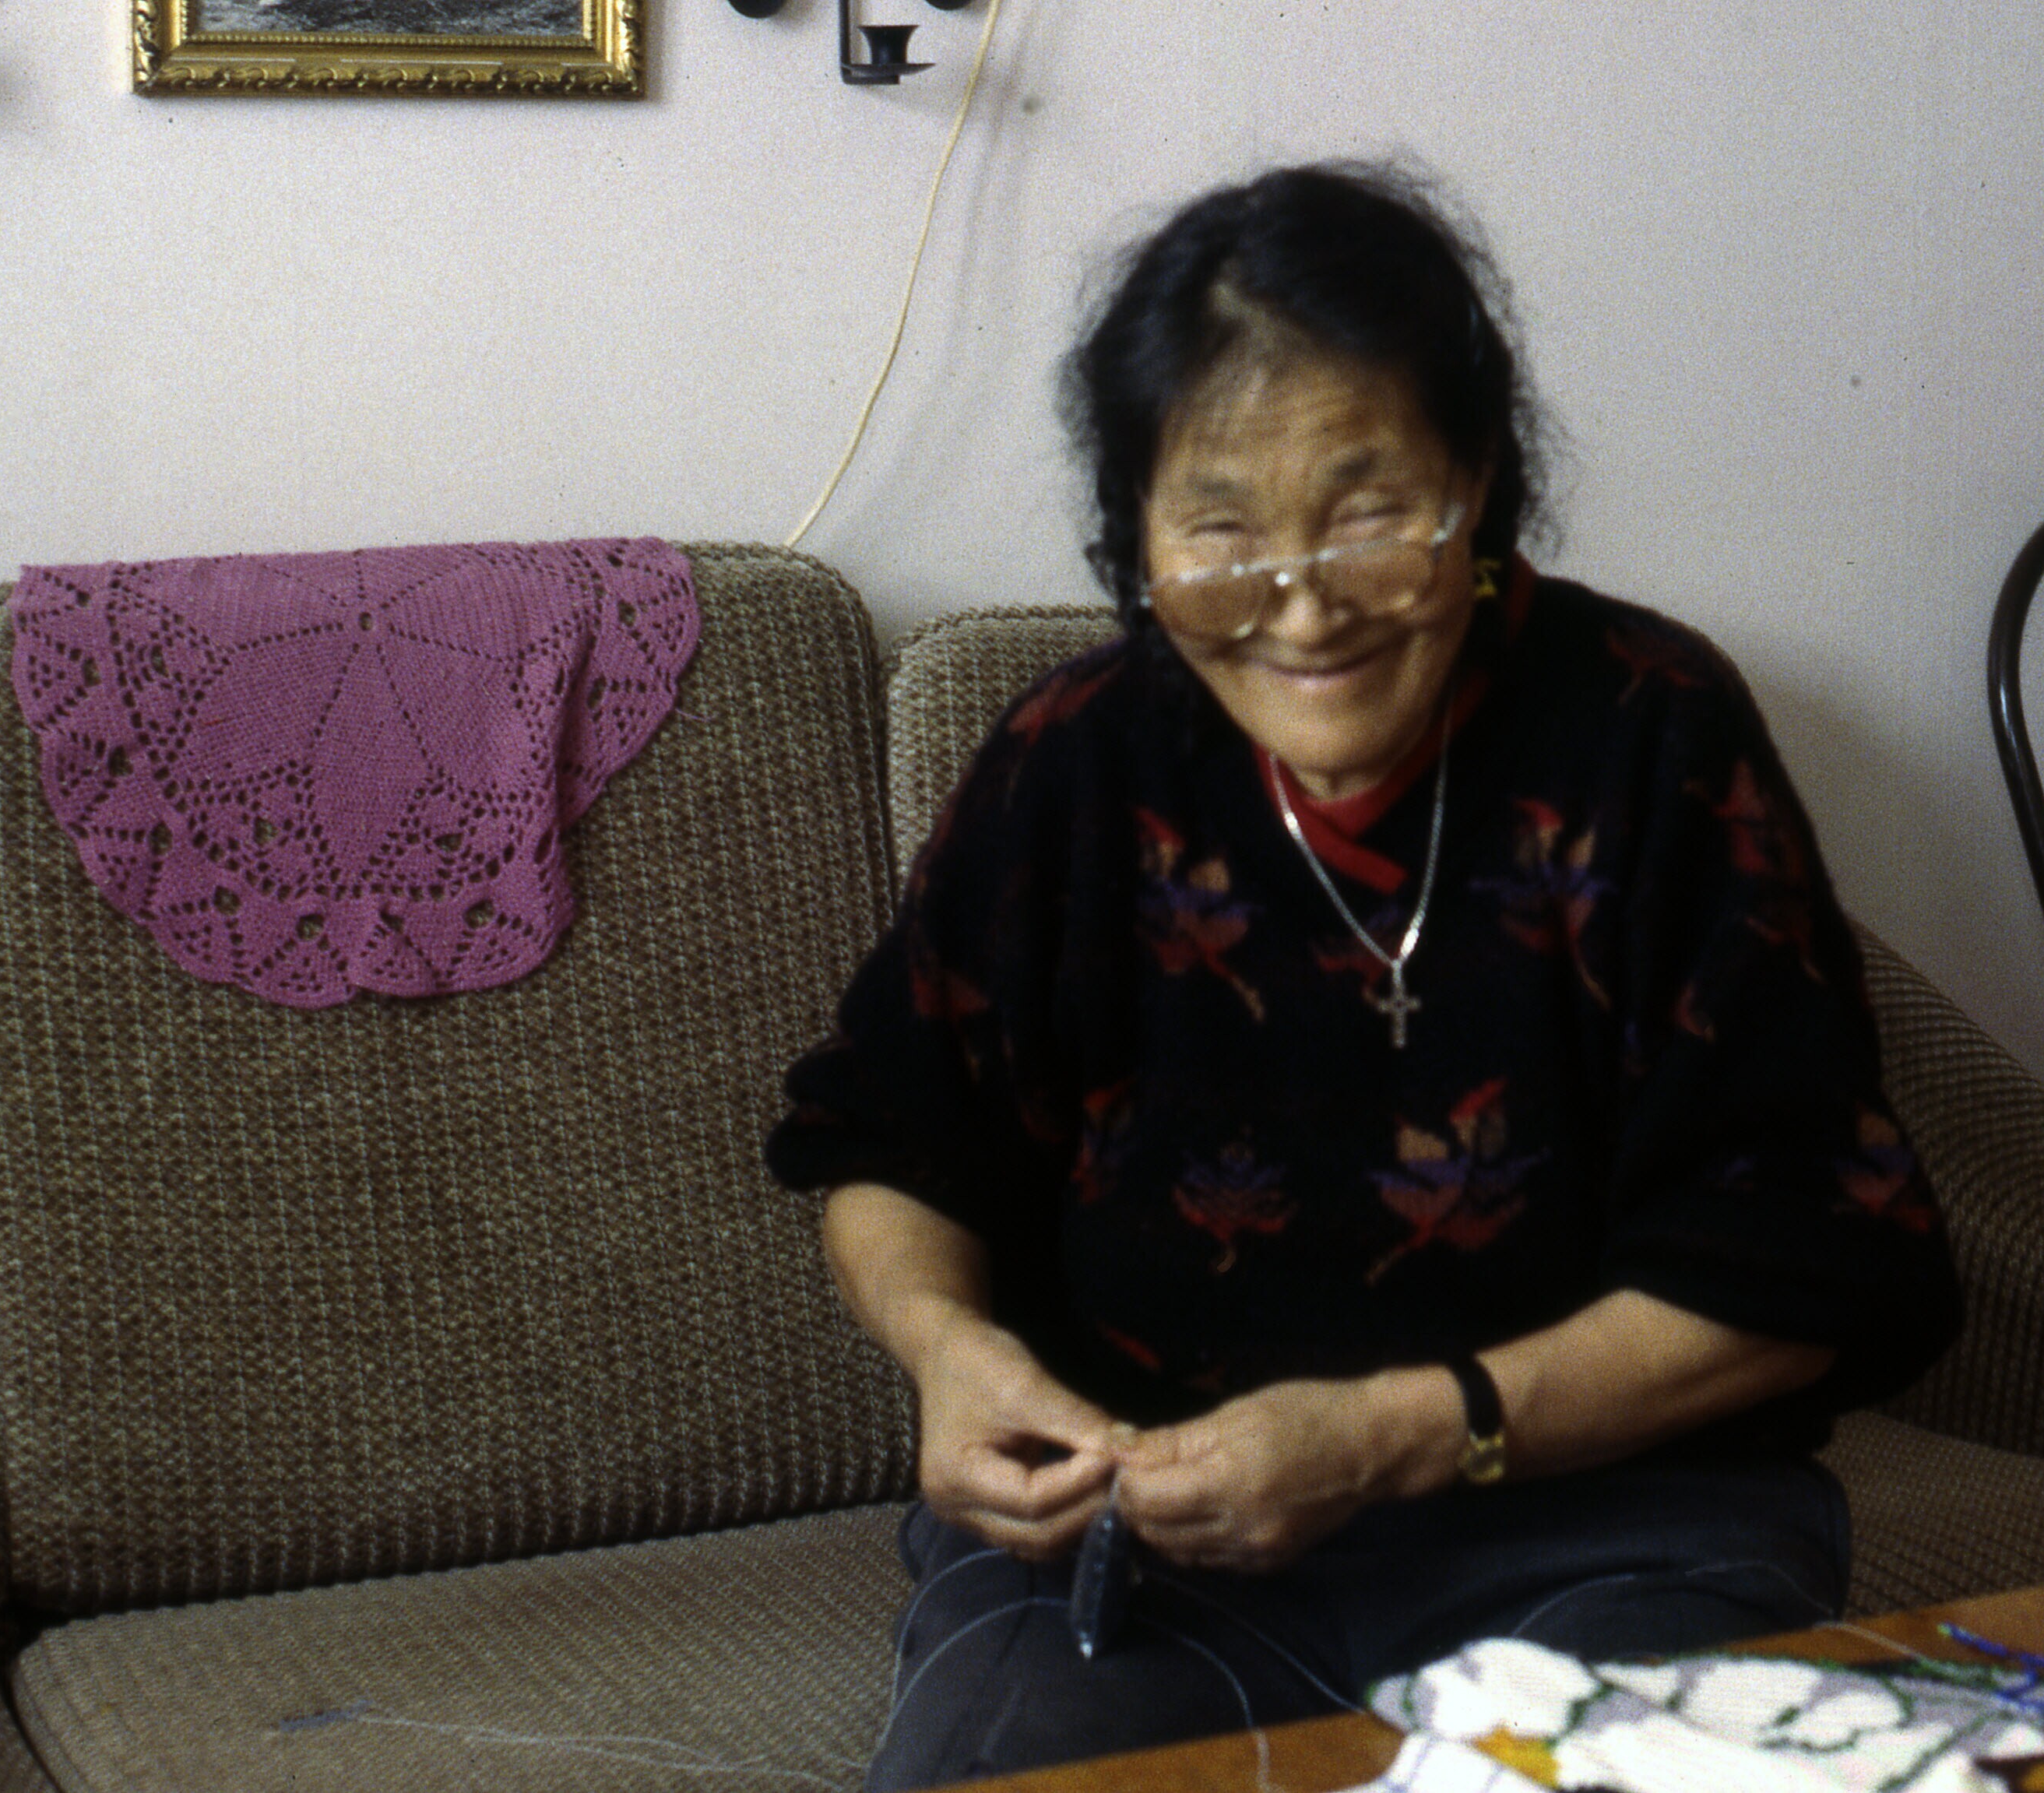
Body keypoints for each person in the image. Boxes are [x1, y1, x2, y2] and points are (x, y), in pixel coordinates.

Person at [765, 163, 1963, 1790]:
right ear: (1136, 541)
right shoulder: (1076, 761)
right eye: (1220, 534)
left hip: (1608, 1530)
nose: (1304, 607)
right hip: (1139, 1549)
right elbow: (891, 1133)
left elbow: (1808, 1257)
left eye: (1366, 514)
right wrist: (946, 1351)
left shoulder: (1647, 735)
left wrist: (1399, 1433)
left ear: (1477, 489)